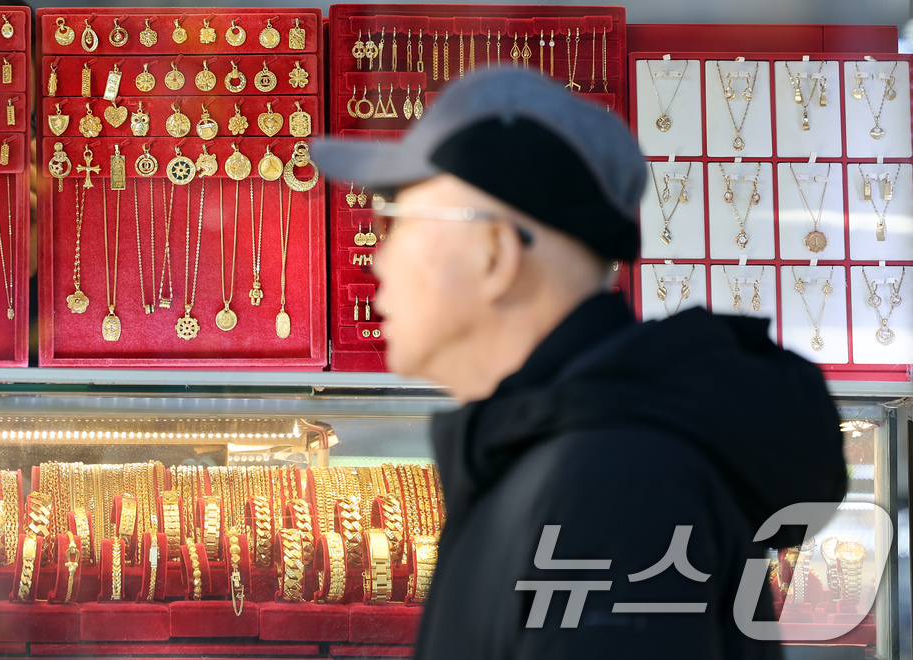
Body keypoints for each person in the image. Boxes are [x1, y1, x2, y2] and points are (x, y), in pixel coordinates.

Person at [312, 69, 848, 658]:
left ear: (495, 253)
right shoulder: (548, 457)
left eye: (396, 222)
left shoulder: (618, 483)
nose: (378, 260)